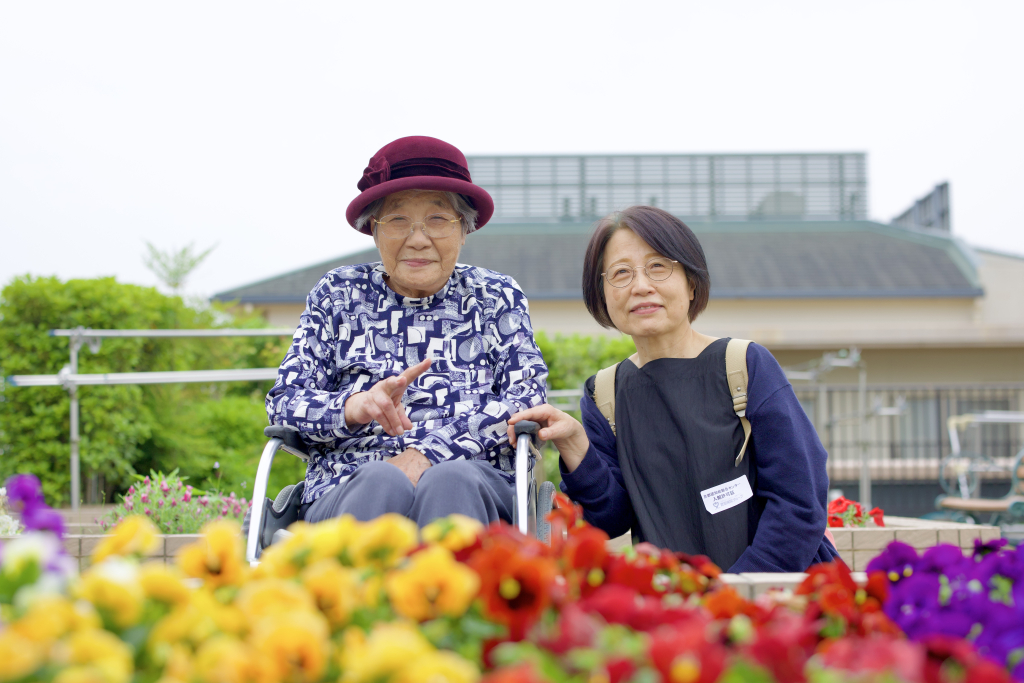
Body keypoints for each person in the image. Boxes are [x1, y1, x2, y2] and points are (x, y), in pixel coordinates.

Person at [509, 206, 839, 572]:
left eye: (658, 267)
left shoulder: (744, 364)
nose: (641, 286)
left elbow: (799, 503)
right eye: (621, 273)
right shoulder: (605, 393)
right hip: (680, 603)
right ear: (601, 295)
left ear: (691, 281)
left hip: (780, 597)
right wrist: (574, 443)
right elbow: (610, 520)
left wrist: (738, 591)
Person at [267, 136, 548, 527]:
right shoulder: (338, 294)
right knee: (381, 480)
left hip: (473, 482)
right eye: (398, 220)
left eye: (438, 219)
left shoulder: (494, 296)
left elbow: (526, 398)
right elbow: (284, 401)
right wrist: (353, 406)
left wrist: (428, 455)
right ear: (374, 231)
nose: (418, 239)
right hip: (351, 483)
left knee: (452, 480)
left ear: (464, 229)